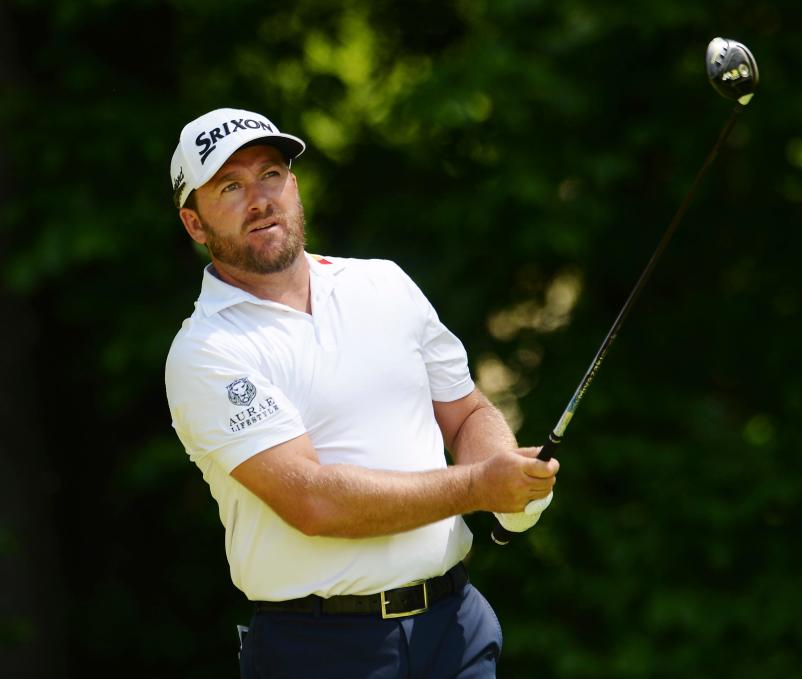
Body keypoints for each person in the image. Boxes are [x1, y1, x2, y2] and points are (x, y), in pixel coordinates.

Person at [163, 107, 560, 678]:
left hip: (454, 629)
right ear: (195, 224)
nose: (259, 199)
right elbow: (314, 502)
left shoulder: (384, 283)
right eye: (230, 186)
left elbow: (466, 411)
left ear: (294, 186)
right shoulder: (208, 351)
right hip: (320, 650)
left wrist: (503, 476)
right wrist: (478, 485)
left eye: (270, 174)